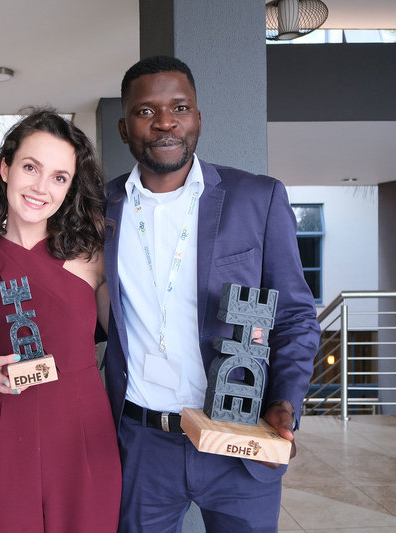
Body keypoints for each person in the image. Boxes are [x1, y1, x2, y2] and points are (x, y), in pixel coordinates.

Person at [102, 56, 321, 532]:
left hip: (240, 439)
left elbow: (297, 316)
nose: (164, 122)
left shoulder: (256, 198)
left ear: (198, 118)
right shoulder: (100, 210)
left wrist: (285, 401)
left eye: (179, 107)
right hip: (142, 443)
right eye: (145, 111)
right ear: (123, 128)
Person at [0, 109, 121, 532]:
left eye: (59, 177)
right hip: (5, 438)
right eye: (31, 168)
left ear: (69, 188)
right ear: (5, 169)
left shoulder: (94, 260)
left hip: (84, 440)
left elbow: (134, 343)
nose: (40, 187)